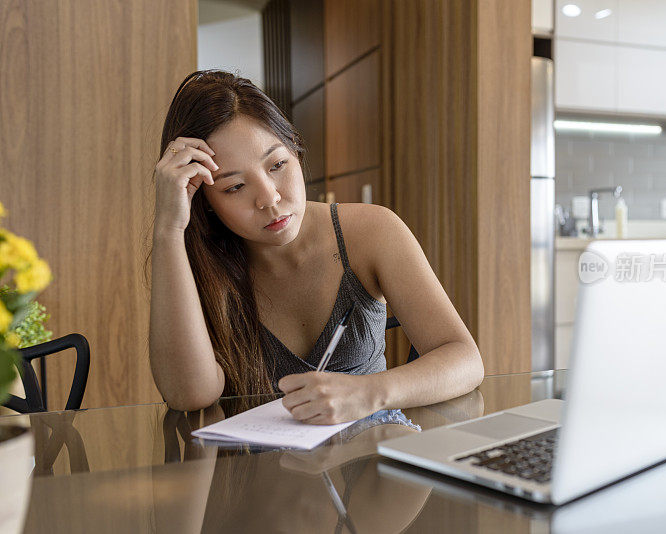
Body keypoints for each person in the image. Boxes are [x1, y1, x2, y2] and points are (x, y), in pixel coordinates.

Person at [148, 70, 483, 423]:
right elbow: (189, 395)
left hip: (372, 459)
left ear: (296, 148)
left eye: (277, 165)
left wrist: (370, 392)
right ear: (204, 199)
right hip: (264, 473)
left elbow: (464, 359)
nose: (270, 198)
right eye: (233, 187)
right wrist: (169, 230)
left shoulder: (372, 231)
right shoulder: (199, 263)